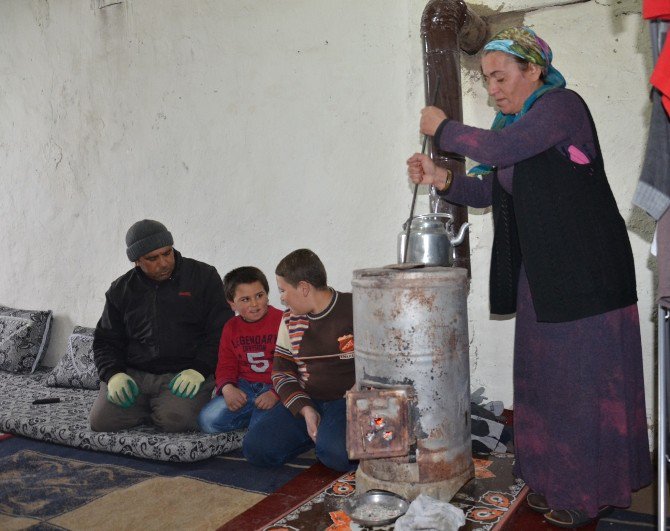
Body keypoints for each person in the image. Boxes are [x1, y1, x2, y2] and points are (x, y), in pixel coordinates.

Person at [407, 27, 652, 528]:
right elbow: (487, 188)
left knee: (583, 389)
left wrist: (444, 127)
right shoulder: (513, 127)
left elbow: (498, 150)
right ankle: (551, 482)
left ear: (533, 69)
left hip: (587, 277)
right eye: (487, 80)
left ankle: (586, 494)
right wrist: (441, 178)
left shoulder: (562, 107)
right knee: (543, 388)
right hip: (542, 274)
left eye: (499, 77)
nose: (493, 89)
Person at [89, 219, 233, 432]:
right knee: (101, 422)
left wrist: (200, 369)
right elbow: (105, 340)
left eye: (167, 253)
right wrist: (113, 375)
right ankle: (155, 405)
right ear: (136, 261)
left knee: (176, 421)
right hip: (135, 374)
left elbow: (221, 331)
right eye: (152, 258)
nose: (164, 263)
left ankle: (163, 406)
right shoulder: (121, 289)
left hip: (184, 374)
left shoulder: (203, 276)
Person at [242, 249, 357, 472]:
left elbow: (379, 363)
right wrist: (305, 410)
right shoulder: (290, 319)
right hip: (308, 399)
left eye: (283, 290)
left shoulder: (354, 308)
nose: (282, 298)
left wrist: (357, 392)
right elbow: (281, 373)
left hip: (346, 402)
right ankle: (317, 432)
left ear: (303, 288)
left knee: (338, 456)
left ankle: (325, 439)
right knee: (256, 448)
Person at [198, 266, 283, 433]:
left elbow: (295, 365)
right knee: (206, 420)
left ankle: (259, 424)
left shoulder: (283, 321)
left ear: (267, 295)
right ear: (232, 304)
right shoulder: (230, 327)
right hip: (244, 389)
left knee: (262, 432)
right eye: (245, 299)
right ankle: (254, 421)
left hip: (276, 387)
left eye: (259, 295)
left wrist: (275, 393)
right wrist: (228, 388)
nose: (254, 304)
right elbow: (225, 364)